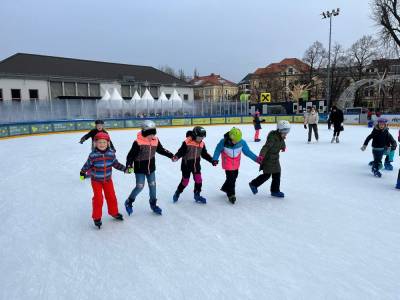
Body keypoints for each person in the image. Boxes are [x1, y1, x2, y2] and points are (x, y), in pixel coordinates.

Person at [80, 132, 129, 229]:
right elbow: (87, 165)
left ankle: (113, 212)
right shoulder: (93, 155)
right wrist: (82, 172)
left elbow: (116, 164)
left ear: (108, 143)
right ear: (95, 144)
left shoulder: (111, 154)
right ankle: (97, 217)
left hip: (107, 180)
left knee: (111, 196)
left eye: (104, 142)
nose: (102, 144)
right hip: (96, 180)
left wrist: (125, 169)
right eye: (99, 142)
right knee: (98, 198)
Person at [124, 120, 174, 215]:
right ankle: (129, 201)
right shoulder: (138, 142)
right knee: (140, 186)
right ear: (144, 132)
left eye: (153, 134)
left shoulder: (155, 140)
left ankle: (153, 204)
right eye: (149, 134)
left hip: (151, 168)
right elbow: (130, 156)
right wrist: (129, 165)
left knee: (153, 185)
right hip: (140, 169)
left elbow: (161, 150)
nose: (151, 136)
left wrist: (171, 155)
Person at [212, 127, 260, 204]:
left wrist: (256, 159)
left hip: (236, 163)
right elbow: (217, 150)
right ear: (230, 138)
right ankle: (231, 194)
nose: (236, 142)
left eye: (237, 141)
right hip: (227, 162)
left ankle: (225, 188)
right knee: (231, 179)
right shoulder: (223, 142)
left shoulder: (242, 142)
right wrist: (214, 159)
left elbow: (248, 152)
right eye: (234, 140)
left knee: (235, 176)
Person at [172, 126, 214, 204]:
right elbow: (181, 151)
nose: (201, 139)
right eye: (199, 137)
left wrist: (212, 160)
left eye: (202, 137)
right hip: (186, 166)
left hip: (196, 165)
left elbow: (204, 154)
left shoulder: (202, 143)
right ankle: (178, 192)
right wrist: (176, 156)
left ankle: (197, 194)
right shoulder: (187, 142)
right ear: (194, 135)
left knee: (199, 180)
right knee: (185, 182)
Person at [249, 120, 290, 198]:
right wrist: (261, 156)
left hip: (275, 158)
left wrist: (283, 147)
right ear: (280, 130)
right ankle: (253, 184)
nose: (286, 134)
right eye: (285, 132)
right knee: (267, 175)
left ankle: (275, 191)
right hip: (268, 159)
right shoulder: (272, 137)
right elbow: (266, 147)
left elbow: (282, 141)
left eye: (286, 132)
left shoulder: (281, 136)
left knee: (277, 173)